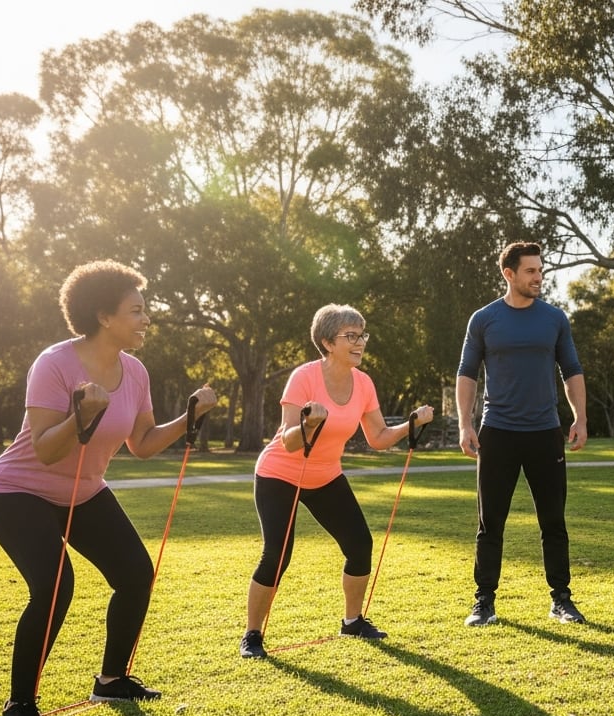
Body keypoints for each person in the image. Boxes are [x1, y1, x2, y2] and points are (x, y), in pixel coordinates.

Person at [0, 261, 218, 716]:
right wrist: (81, 413)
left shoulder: (134, 371)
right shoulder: (55, 363)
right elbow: (47, 450)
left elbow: (144, 443)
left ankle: (111, 681)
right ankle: (19, 707)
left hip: (84, 493)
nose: (147, 319)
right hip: (17, 491)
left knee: (135, 574)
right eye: (137, 310)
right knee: (54, 587)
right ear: (104, 316)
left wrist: (189, 416)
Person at [239, 304, 433, 659]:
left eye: (362, 335)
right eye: (351, 336)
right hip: (278, 474)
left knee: (360, 544)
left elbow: (377, 437)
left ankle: (352, 621)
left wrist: (411, 424)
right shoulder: (304, 377)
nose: (360, 343)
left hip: (326, 475)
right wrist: (310, 423)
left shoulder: (364, 383)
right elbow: (288, 440)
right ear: (327, 342)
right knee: (277, 555)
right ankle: (252, 636)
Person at [456, 241, 588, 627]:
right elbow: (467, 372)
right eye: (531, 271)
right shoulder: (484, 319)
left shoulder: (554, 319)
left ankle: (561, 599)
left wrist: (579, 417)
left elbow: (572, 369)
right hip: (497, 433)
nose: (539, 278)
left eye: (541, 271)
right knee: (490, 522)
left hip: (545, 433)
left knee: (553, 521)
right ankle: (484, 601)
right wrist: (465, 423)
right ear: (508, 274)